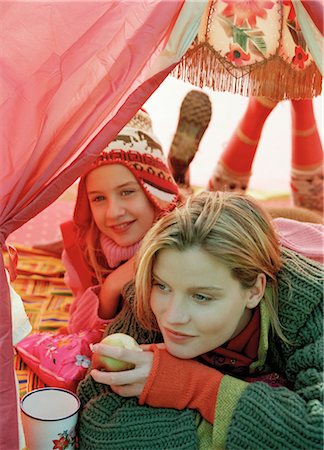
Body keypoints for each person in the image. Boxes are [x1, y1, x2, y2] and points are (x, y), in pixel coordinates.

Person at [77, 191, 323, 449]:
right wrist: (259, 429)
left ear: (254, 290)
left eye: (202, 297)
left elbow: (315, 434)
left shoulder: (312, 305)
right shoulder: (148, 291)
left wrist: (196, 387)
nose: (172, 317)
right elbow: (97, 425)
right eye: (163, 286)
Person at [15, 109, 180, 391]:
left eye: (127, 191)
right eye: (99, 198)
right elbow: (79, 327)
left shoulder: (182, 243)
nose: (113, 212)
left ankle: (180, 164)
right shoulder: (84, 247)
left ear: (154, 191)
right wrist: (111, 287)